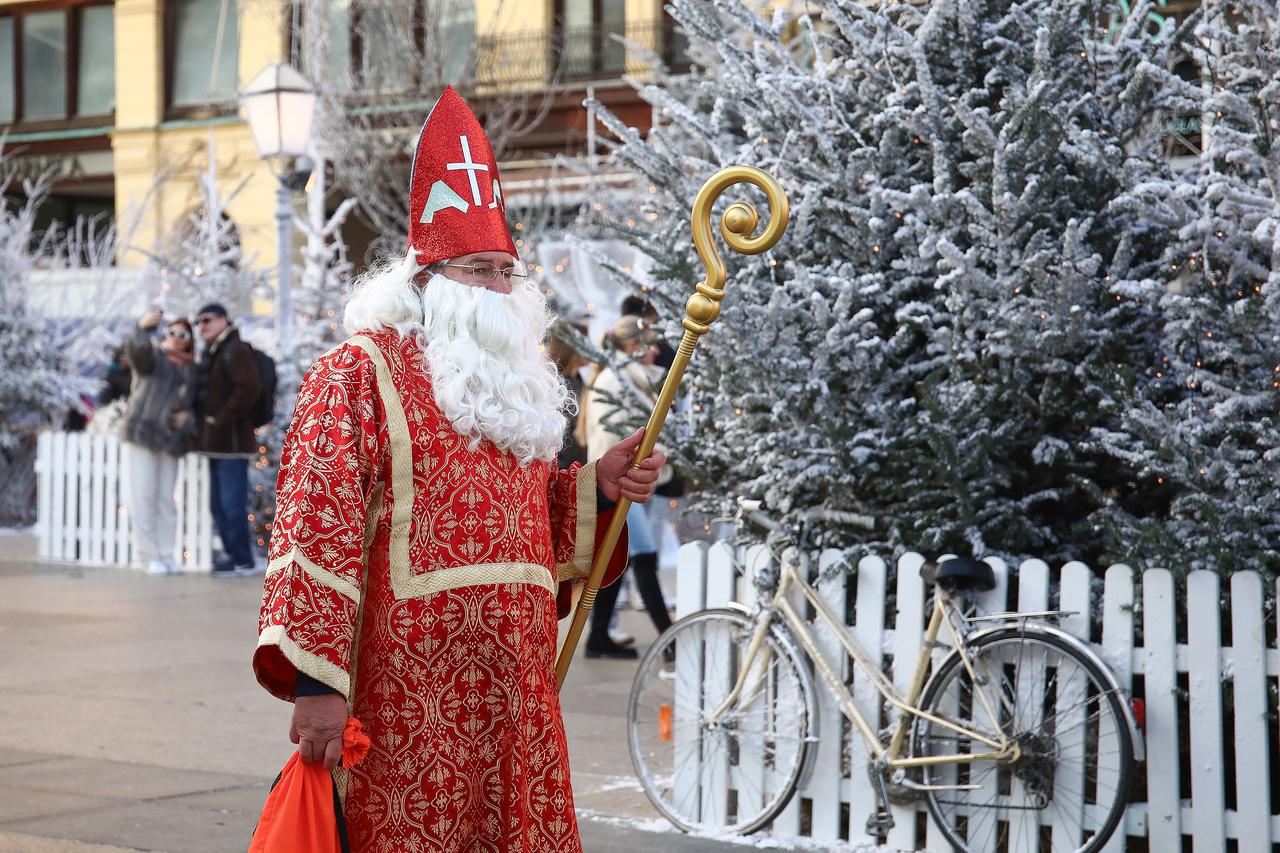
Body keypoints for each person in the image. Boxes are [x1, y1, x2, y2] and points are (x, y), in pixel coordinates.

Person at [252, 86, 664, 853]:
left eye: (507, 271)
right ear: (429, 279)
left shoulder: (507, 386)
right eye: (480, 270)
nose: (501, 291)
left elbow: (523, 517)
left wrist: (596, 488)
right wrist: (318, 688)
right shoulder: (358, 373)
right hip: (406, 701)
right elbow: (318, 524)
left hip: (514, 698)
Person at [582, 314, 675, 658]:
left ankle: (598, 637)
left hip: (632, 481)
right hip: (619, 484)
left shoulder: (634, 379)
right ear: (634, 347)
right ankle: (669, 639)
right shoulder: (617, 380)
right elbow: (612, 439)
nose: (655, 351)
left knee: (617, 560)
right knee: (644, 555)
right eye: (649, 344)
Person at [121, 308, 196, 575]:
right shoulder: (153, 358)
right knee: (143, 496)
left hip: (171, 440)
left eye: (183, 334)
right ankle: (147, 555)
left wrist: (188, 418)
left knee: (166, 499)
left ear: (189, 339)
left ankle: (166, 554)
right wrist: (141, 328)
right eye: (172, 331)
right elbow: (137, 352)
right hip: (143, 434)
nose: (176, 337)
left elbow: (198, 405)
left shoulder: (192, 370)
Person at [191, 302, 262, 577]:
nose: (202, 326)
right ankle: (234, 556)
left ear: (224, 320)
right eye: (198, 322)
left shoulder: (236, 350)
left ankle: (242, 559)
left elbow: (250, 388)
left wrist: (220, 418)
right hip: (218, 445)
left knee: (231, 504)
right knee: (218, 504)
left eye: (207, 319)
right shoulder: (216, 350)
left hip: (231, 444)